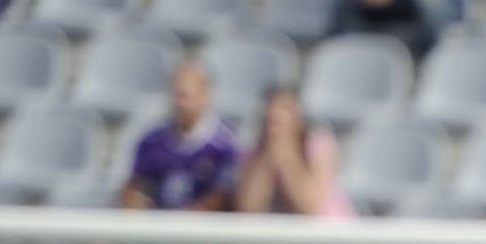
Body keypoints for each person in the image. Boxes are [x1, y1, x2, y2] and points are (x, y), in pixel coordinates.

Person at [125, 59, 245, 214]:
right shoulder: (152, 141)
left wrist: (186, 219)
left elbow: (224, 195)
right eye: (175, 95)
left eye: (184, 96)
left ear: (205, 95)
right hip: (158, 223)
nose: (179, 104)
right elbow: (133, 185)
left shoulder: (225, 145)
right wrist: (136, 203)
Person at [232, 85, 350, 217]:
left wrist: (287, 159)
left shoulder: (318, 144)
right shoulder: (254, 153)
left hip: (326, 225)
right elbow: (248, 209)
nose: (276, 116)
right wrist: (267, 160)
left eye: (284, 110)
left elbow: (310, 206)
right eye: (272, 113)